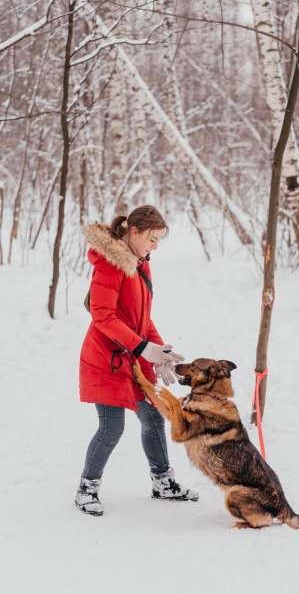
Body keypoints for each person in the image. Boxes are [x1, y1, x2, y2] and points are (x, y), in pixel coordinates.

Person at [75, 205, 199, 516]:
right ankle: (86, 488)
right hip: (107, 360)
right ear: (134, 232)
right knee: (111, 427)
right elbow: (103, 316)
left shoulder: (141, 264)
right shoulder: (108, 265)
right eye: (152, 239)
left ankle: (162, 482)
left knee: (153, 418)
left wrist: (159, 350)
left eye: (159, 240)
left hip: (133, 357)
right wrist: (143, 348)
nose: (155, 246)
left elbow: (141, 318)